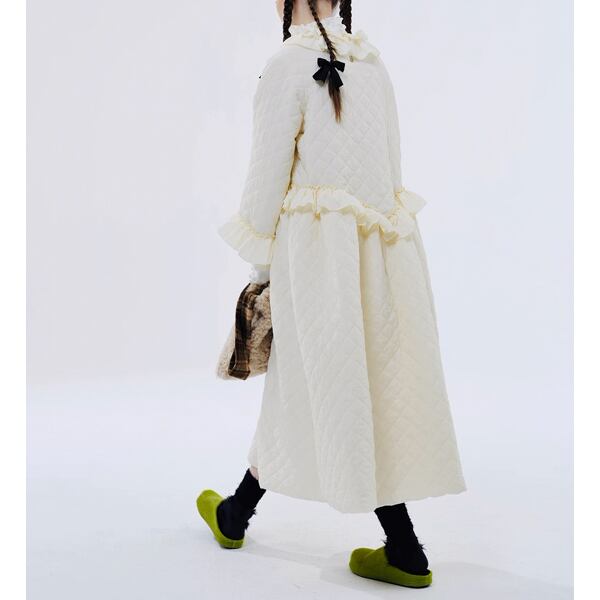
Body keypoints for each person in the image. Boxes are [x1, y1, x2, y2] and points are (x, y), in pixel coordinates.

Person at [198, 0, 466, 588]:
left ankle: (402, 548)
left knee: (318, 387)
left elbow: (265, 184)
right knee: (355, 386)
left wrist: (261, 269)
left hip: (318, 258)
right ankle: (238, 512)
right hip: (382, 252)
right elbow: (390, 167)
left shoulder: (286, 66)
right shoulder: (372, 63)